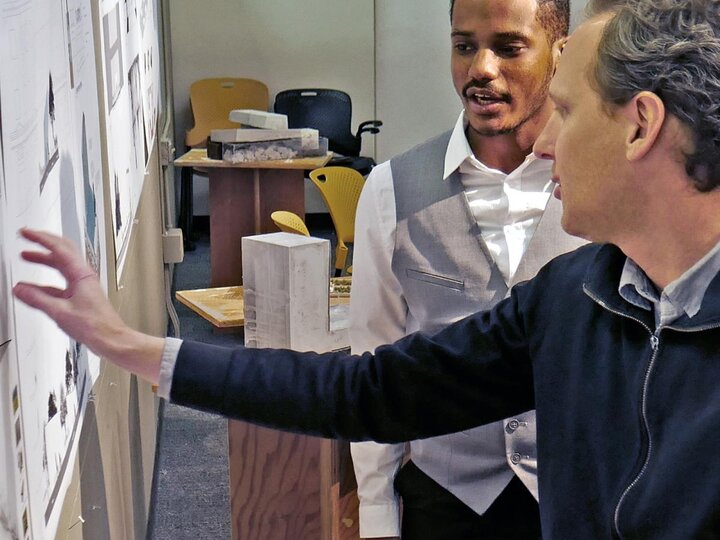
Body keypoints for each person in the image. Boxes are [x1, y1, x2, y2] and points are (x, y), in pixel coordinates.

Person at [13, 0, 720, 536]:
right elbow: (370, 386)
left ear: (640, 124)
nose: (548, 141)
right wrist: (136, 348)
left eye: (566, 109)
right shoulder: (577, 295)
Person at [348, 0, 580, 538]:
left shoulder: (605, 185)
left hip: (577, 492)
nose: (481, 68)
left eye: (508, 46)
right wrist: (377, 513)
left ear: (560, 56)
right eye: (464, 45)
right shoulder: (390, 189)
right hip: (445, 498)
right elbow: (374, 364)